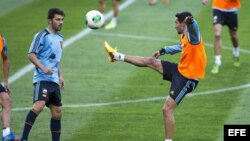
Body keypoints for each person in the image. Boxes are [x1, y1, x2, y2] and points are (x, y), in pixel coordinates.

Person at [104, 11, 207, 141]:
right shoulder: (184, 35)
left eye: (176, 23)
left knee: (167, 109)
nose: (174, 26)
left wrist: (191, 21)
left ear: (183, 24)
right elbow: (181, 46)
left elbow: (194, 28)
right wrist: (163, 50)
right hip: (180, 70)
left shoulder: (193, 35)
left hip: (188, 78)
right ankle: (116, 56)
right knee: (150, 61)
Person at [20, 8, 65, 141]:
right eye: (57, 19)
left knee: (57, 113)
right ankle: (24, 138)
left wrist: (60, 76)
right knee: (39, 105)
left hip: (54, 80)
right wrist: (43, 68)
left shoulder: (60, 38)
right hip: (42, 78)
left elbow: (57, 60)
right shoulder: (41, 35)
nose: (60, 22)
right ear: (50, 21)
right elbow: (31, 55)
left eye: (62, 20)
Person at [202, 0, 241, 74]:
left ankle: (236, 53)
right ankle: (217, 62)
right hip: (218, 8)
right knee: (217, 34)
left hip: (232, 10)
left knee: (233, 36)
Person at [0, 34, 19, 141]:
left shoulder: (1, 40)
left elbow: (5, 58)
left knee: (6, 100)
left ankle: (6, 134)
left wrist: (6, 80)